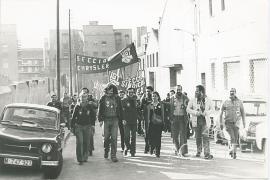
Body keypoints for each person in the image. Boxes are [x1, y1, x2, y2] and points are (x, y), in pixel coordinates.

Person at [187, 85, 214, 159]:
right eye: (196, 90)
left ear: (201, 91)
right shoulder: (193, 100)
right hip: (196, 120)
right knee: (198, 137)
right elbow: (188, 109)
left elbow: (212, 109)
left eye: (197, 91)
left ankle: (207, 153)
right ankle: (199, 151)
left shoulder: (208, 100)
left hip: (205, 121)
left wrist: (206, 113)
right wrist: (195, 112)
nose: (196, 92)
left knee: (205, 137)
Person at [98, 84, 123, 163]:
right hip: (106, 119)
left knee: (114, 138)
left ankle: (113, 156)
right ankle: (106, 150)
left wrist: (122, 119)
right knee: (106, 138)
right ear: (107, 90)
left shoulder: (117, 98)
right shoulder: (103, 98)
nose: (111, 92)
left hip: (115, 119)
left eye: (112, 90)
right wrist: (100, 120)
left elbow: (120, 109)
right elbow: (100, 109)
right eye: (109, 90)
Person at [71, 88, 96, 165]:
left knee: (86, 142)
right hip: (79, 126)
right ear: (80, 98)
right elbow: (73, 117)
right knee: (80, 142)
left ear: (87, 98)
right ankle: (80, 158)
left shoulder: (89, 106)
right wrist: (72, 127)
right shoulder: (77, 106)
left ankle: (85, 156)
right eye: (82, 97)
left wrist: (93, 125)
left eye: (85, 97)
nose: (83, 98)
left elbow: (93, 116)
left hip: (87, 126)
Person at [219, 88, 246, 159]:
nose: (231, 93)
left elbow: (243, 113)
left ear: (235, 93)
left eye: (233, 91)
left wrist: (244, 122)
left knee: (235, 139)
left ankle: (232, 151)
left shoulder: (239, 102)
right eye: (230, 91)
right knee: (232, 138)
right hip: (228, 123)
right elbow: (220, 113)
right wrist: (221, 123)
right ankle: (233, 152)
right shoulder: (225, 102)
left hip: (236, 123)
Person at [170, 85, 189, 157]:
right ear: (175, 90)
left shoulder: (185, 97)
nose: (178, 91)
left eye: (180, 90)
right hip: (174, 118)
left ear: (181, 90)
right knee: (174, 136)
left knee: (183, 135)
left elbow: (189, 106)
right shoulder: (172, 98)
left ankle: (183, 151)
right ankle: (177, 149)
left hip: (182, 118)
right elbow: (170, 108)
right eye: (177, 90)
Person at [122, 87, 138, 157]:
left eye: (132, 92)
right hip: (126, 121)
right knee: (126, 136)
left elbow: (138, 109)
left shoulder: (136, 100)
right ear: (127, 93)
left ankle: (133, 151)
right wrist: (123, 119)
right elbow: (122, 111)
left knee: (133, 137)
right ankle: (127, 147)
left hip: (134, 121)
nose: (131, 94)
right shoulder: (123, 100)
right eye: (129, 92)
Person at [148, 91, 164, 158]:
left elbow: (163, 114)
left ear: (158, 97)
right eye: (153, 96)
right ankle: (152, 148)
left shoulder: (161, 104)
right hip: (151, 124)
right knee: (151, 137)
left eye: (155, 96)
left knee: (158, 137)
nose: (154, 97)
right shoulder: (150, 105)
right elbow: (148, 115)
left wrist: (163, 122)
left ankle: (158, 152)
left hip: (159, 124)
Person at [140, 86, 154, 153]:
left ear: (152, 92)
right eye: (147, 91)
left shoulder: (154, 98)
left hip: (153, 118)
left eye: (149, 91)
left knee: (152, 133)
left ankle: (152, 147)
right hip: (145, 119)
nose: (148, 92)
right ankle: (147, 147)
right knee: (146, 133)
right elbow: (140, 108)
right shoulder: (143, 99)